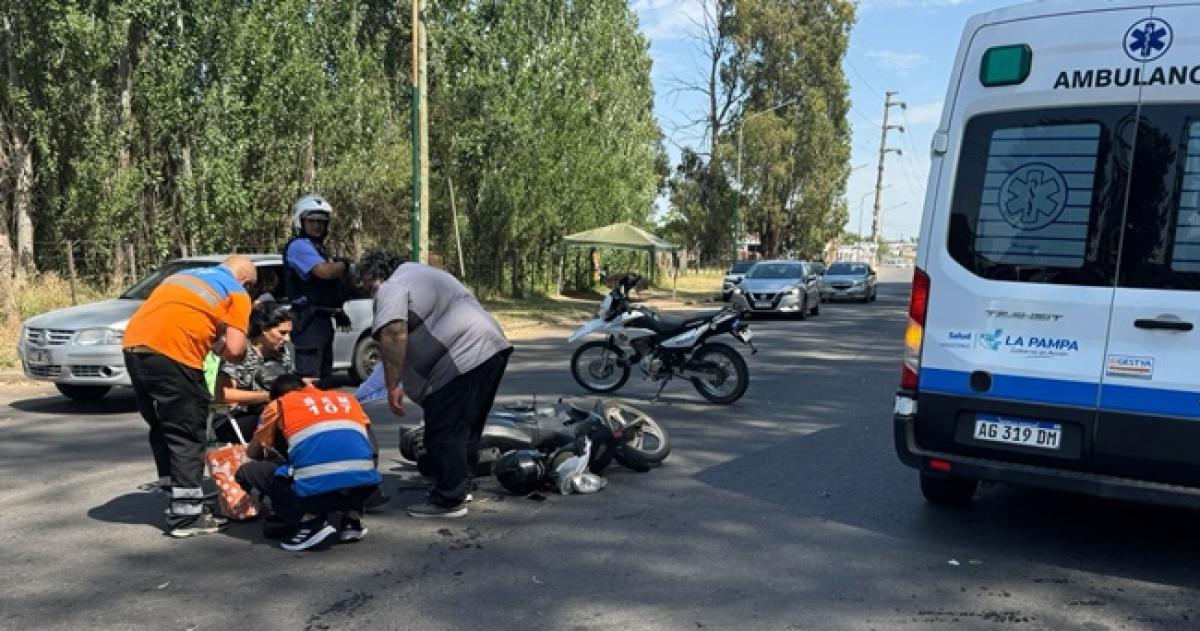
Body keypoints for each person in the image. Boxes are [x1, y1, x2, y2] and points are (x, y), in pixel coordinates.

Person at [355, 251, 512, 518]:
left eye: (368, 287)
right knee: (467, 427)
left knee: (442, 431)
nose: (371, 294)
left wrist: (392, 385)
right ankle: (462, 485)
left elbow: (393, 333)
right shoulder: (427, 273)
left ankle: (447, 500)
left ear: (374, 276)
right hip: (492, 347)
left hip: (461, 357)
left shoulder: (391, 286)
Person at [122, 255, 256, 537]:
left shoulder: (182, 276)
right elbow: (234, 349)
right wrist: (231, 346)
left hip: (135, 347)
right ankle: (186, 517)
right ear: (246, 282)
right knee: (188, 430)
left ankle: (177, 490)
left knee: (161, 422)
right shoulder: (237, 292)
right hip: (174, 353)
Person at [235, 373, 382, 551]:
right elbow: (366, 445)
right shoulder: (346, 399)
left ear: (276, 396)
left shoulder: (279, 405)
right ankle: (351, 519)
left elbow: (253, 453)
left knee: (250, 471)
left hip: (316, 494)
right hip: (365, 487)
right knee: (349, 450)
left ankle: (310, 522)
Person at [282, 194, 353, 387]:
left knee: (324, 378)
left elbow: (323, 290)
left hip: (321, 320)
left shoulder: (318, 248)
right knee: (309, 381)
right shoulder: (299, 246)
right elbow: (326, 273)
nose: (317, 226)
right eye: (312, 221)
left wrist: (337, 311)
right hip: (308, 323)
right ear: (301, 221)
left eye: (321, 222)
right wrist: (345, 264)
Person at [213, 301, 294, 442]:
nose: (287, 339)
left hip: (270, 412)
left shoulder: (281, 352)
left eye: (289, 334)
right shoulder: (240, 352)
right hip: (234, 418)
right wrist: (268, 396)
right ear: (264, 329)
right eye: (282, 333)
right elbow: (224, 394)